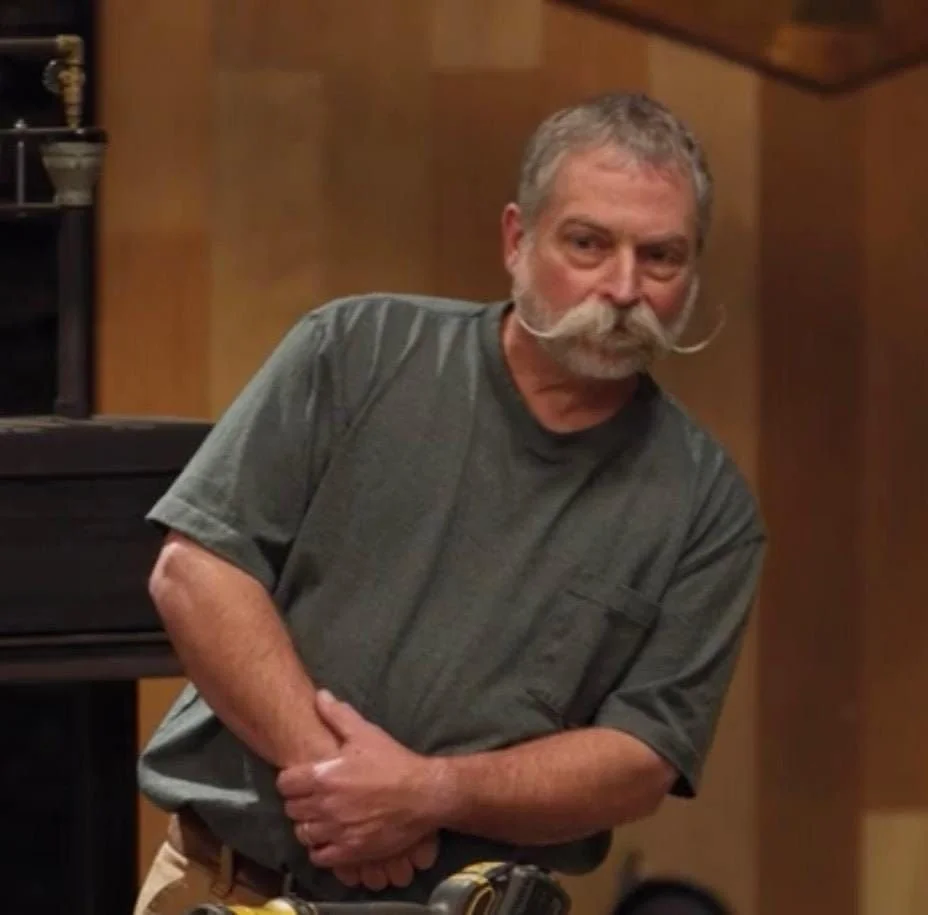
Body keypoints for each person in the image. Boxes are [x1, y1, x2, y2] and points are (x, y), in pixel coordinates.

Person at [132, 91, 766, 915]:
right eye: (587, 242)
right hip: (220, 882)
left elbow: (642, 757)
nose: (621, 286)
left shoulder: (710, 509)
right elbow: (195, 573)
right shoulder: (355, 350)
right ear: (516, 238)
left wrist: (428, 792)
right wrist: (344, 790)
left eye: (661, 258)